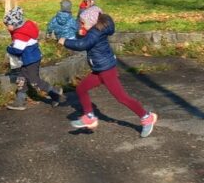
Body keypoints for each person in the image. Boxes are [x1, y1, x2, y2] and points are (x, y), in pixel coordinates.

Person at [59, 9, 158, 137]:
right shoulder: (95, 31)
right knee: (81, 89)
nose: (81, 25)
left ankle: (147, 117)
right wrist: (78, 35)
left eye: (83, 23)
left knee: (122, 98)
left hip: (107, 71)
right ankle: (89, 117)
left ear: (92, 22)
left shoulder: (94, 33)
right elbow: (85, 40)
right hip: (99, 69)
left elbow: (82, 44)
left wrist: (65, 41)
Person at [3, 6, 63, 111]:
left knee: (34, 81)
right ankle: (20, 101)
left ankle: (55, 92)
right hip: (27, 59)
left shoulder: (20, 35)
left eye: (8, 25)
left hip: (31, 61)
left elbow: (17, 50)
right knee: (21, 79)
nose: (6, 27)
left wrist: (9, 48)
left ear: (15, 24)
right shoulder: (25, 28)